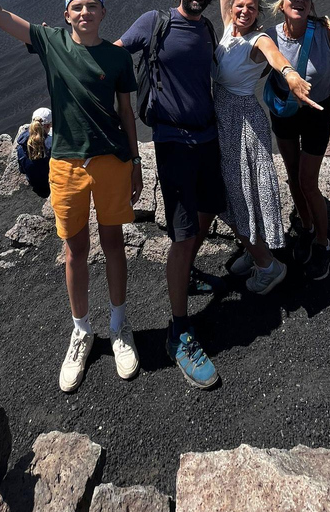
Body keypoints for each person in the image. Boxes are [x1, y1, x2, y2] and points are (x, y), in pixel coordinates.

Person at [0, 0, 144, 391]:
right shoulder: (50, 42)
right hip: (66, 164)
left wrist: (135, 161)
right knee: (74, 251)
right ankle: (81, 331)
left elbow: (126, 112)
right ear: (67, 15)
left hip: (112, 161)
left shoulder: (118, 58)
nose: (84, 12)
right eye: (76, 6)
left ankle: (119, 327)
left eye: (91, 6)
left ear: (103, 13)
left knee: (114, 244)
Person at [117, 0, 226, 389]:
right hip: (172, 141)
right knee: (182, 235)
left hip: (207, 136)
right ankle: (178, 332)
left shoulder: (207, 28)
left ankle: (189, 274)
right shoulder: (154, 22)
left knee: (209, 211)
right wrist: (61, 48)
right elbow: (113, 53)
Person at [214, 0, 317, 294]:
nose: (244, 11)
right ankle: (254, 246)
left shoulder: (258, 39)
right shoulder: (228, 31)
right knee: (237, 192)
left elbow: (275, 57)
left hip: (242, 123)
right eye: (239, 5)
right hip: (223, 118)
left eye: (252, 7)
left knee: (239, 192)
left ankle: (268, 267)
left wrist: (290, 73)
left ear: (259, 13)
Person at [266, 0, 330, 280]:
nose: (299, 1)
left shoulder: (327, 31)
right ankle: (307, 226)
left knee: (307, 181)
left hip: (316, 113)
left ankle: (323, 243)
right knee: (292, 175)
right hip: (284, 111)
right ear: (282, 3)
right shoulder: (270, 35)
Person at [16, 107, 53, 198]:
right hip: (50, 184)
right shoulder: (51, 144)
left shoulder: (21, 146)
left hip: (35, 184)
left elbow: (22, 170)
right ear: (48, 126)